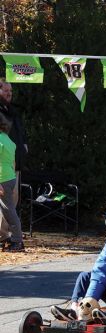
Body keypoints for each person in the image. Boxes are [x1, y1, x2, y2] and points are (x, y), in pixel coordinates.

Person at [0, 78, 28, 248]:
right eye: (6, 91)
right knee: (7, 205)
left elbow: (19, 131)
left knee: (10, 204)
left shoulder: (11, 110)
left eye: (11, 92)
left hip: (12, 166)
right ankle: (6, 235)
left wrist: (24, 145)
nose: (9, 94)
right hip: (4, 168)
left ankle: (9, 235)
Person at [0, 112, 25, 252]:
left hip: (2, 178)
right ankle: (10, 239)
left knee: (9, 211)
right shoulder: (9, 141)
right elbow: (13, 163)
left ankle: (17, 241)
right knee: (6, 210)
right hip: (9, 177)